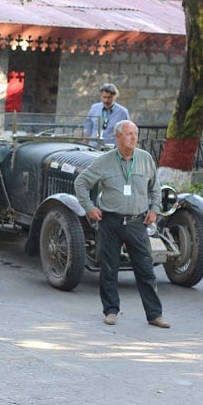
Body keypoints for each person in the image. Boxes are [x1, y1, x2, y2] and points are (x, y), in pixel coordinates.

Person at [74, 119, 170, 328]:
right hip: (111, 221)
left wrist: (154, 209)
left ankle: (154, 314)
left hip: (137, 222)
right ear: (117, 137)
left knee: (145, 269)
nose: (134, 137)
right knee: (109, 268)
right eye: (128, 134)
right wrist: (89, 207)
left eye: (135, 133)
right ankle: (111, 311)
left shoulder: (145, 159)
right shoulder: (105, 161)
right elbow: (81, 182)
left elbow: (155, 187)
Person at [83, 83, 130, 148]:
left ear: (115, 96)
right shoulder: (94, 108)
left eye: (109, 98)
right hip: (93, 147)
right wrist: (85, 144)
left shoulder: (123, 112)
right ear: (100, 96)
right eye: (104, 97)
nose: (106, 100)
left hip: (112, 149)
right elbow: (88, 126)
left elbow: (126, 132)